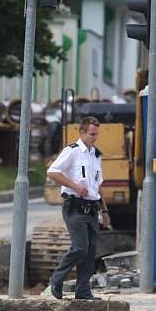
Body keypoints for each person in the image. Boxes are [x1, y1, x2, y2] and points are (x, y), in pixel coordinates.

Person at [46, 117, 109, 301]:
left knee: (90, 252)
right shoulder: (72, 151)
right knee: (80, 247)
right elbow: (52, 172)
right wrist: (74, 185)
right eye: (91, 134)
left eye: (96, 134)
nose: (94, 138)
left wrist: (105, 211)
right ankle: (57, 278)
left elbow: (98, 185)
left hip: (92, 208)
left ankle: (83, 291)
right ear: (81, 132)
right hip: (74, 207)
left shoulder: (96, 155)